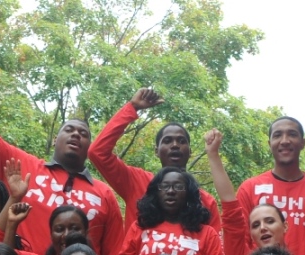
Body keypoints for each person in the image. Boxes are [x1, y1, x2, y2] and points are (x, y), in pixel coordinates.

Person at [0, 41, 124, 255]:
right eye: (68, 129)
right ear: (54, 140)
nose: (76, 134)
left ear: (89, 147)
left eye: (84, 134)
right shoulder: (22, 168)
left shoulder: (105, 195)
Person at [89, 87, 221, 231]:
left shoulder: (206, 202)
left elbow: (215, 250)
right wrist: (133, 107)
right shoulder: (135, 181)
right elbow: (98, 152)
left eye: (181, 141)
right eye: (167, 141)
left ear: (190, 152)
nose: (175, 145)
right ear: (156, 151)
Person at [236, 116, 305, 255]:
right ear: (269, 144)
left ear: (303, 143)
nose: (285, 140)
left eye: (292, 134)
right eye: (277, 135)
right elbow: (239, 244)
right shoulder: (249, 188)